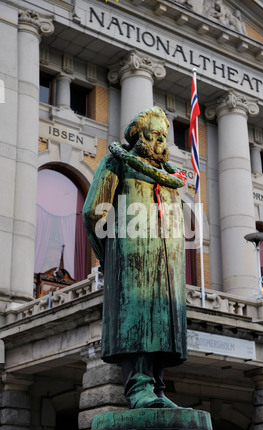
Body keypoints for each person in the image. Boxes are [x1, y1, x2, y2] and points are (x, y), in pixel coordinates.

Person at [83, 106, 188, 409]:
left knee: (164, 323)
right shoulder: (116, 163)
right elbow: (93, 211)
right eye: (154, 136)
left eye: (163, 137)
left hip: (167, 262)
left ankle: (157, 388)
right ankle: (138, 388)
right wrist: (112, 257)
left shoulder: (170, 176)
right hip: (131, 258)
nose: (160, 143)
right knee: (138, 320)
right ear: (138, 136)